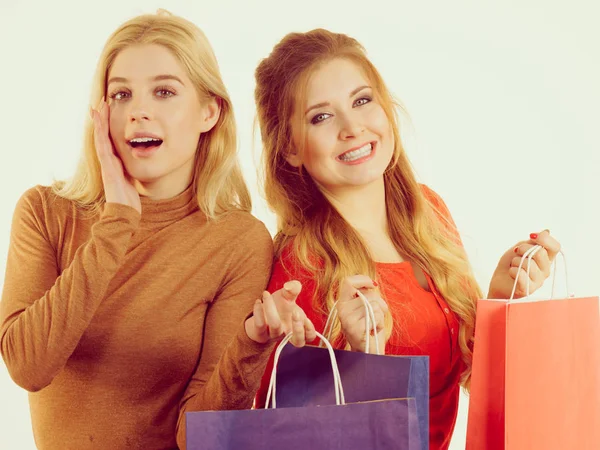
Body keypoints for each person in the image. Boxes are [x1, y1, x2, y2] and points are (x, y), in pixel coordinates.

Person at [0, 11, 315, 450]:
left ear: (209, 112)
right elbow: (28, 367)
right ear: (101, 113)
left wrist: (251, 342)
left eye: (164, 91)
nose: (139, 111)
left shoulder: (238, 240)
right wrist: (116, 222)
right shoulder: (45, 212)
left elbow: (198, 437)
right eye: (121, 94)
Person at [252, 29, 561, 449]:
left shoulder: (426, 212)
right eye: (320, 116)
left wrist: (502, 296)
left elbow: (463, 373)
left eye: (362, 101)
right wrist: (363, 358)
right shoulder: (301, 264)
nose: (352, 127)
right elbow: (286, 435)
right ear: (290, 147)